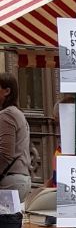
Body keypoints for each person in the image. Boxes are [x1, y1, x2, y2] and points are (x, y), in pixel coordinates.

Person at [0, 74, 32, 203]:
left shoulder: (7, 115)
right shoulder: (16, 113)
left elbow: (5, 154)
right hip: (19, 179)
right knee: (11, 223)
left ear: (7, 91)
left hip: (9, 181)